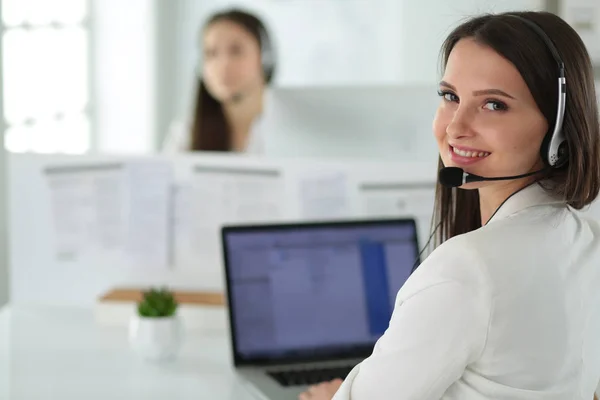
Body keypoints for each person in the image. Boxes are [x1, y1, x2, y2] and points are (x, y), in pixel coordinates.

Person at [300, 11, 600, 400]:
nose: (456, 126)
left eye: (494, 105)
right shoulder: (587, 241)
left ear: (559, 127)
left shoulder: (466, 269)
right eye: (450, 96)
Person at [162, 8, 276, 153]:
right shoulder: (186, 133)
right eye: (211, 53)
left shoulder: (291, 128)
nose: (223, 65)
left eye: (236, 51)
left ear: (265, 58)